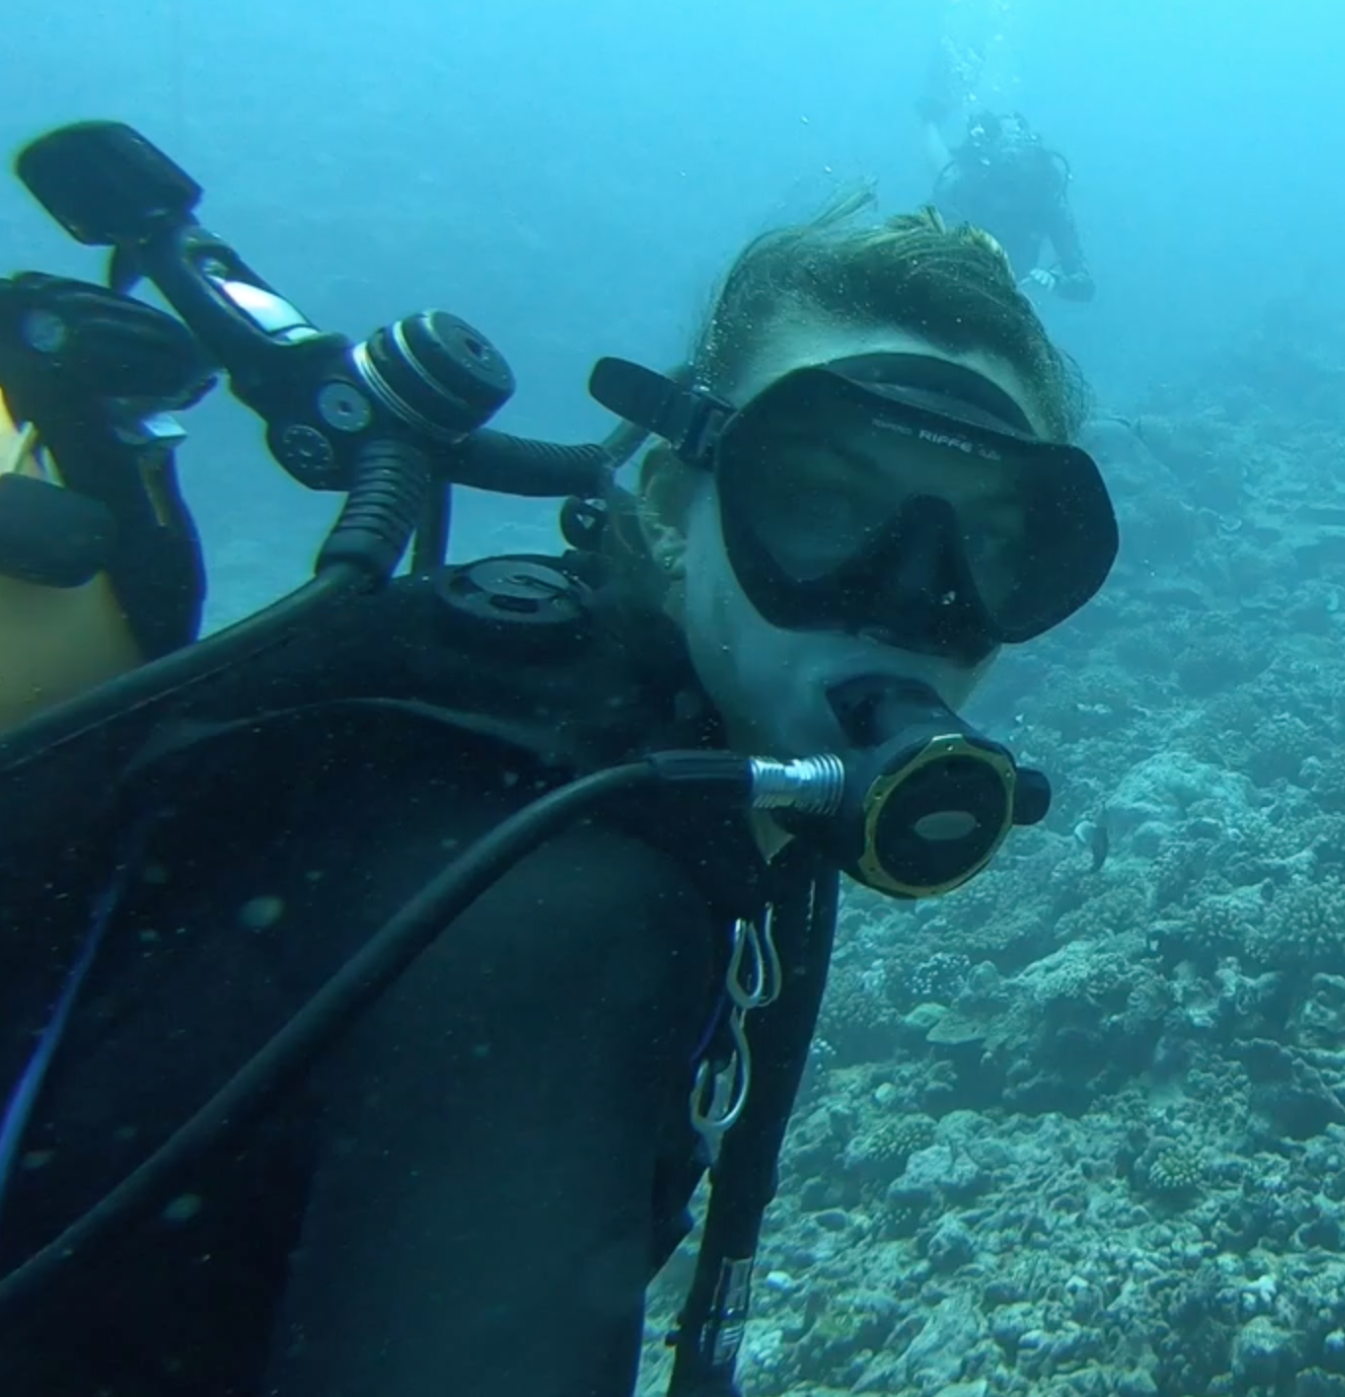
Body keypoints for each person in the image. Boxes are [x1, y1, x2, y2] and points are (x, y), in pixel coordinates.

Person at [0, 176, 1119, 1396]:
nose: (905, 597)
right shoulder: (576, 907)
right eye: (821, 500)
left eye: (986, 542)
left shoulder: (643, 753)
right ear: (672, 507)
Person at [920, 105, 1096, 303]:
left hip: (1000, 284)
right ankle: (930, 117)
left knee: (944, 172)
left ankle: (930, 117)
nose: (1011, 156)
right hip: (964, 278)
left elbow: (1084, 285)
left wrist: (1054, 281)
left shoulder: (1046, 193)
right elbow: (927, 229)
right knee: (944, 174)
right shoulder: (967, 181)